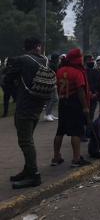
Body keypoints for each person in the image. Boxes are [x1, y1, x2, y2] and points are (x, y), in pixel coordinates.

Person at [5, 38, 53, 189]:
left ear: (26, 48)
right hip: (38, 104)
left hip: (25, 105)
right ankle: (27, 170)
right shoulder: (44, 60)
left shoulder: (23, 60)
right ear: (37, 47)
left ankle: (34, 175)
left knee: (25, 141)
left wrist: (15, 91)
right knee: (28, 138)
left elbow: (7, 78)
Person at [52, 48, 92, 168]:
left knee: (60, 131)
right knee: (76, 132)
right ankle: (76, 158)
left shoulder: (60, 70)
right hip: (75, 104)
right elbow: (81, 91)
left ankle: (56, 157)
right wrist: (85, 107)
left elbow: (57, 86)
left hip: (63, 102)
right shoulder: (77, 72)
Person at [43, 54, 60, 122]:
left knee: (50, 99)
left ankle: (49, 113)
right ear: (55, 59)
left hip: (51, 83)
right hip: (51, 83)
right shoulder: (53, 65)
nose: (59, 60)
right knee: (55, 99)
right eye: (58, 58)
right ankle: (47, 114)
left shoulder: (51, 64)